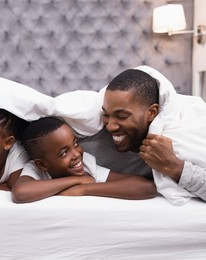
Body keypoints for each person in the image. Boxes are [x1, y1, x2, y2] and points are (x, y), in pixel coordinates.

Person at [102, 68, 206, 203]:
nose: (110, 126)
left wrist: (174, 166)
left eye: (122, 116)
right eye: (105, 115)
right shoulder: (91, 135)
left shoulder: (182, 133)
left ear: (152, 112)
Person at [11, 116, 156, 203]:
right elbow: (20, 193)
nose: (76, 154)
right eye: (63, 153)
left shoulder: (86, 164)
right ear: (42, 164)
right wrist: (76, 180)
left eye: (75, 144)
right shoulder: (36, 170)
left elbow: (146, 187)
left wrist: (84, 189)